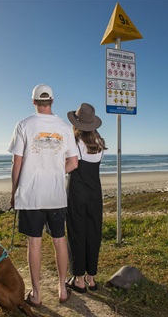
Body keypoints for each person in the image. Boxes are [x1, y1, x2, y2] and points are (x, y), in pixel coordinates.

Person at [8, 84, 79, 306]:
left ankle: (37, 295)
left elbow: (17, 162)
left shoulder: (23, 125)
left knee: (34, 243)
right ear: (52, 101)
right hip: (56, 195)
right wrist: (57, 171)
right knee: (60, 240)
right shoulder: (65, 127)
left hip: (31, 195)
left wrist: (13, 192)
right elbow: (74, 163)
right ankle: (62, 290)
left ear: (33, 102)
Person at [65, 103, 107, 293]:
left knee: (76, 233)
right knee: (93, 233)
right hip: (94, 193)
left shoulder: (74, 142)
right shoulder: (100, 142)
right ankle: (91, 278)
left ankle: (79, 279)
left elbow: (71, 166)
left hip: (76, 192)